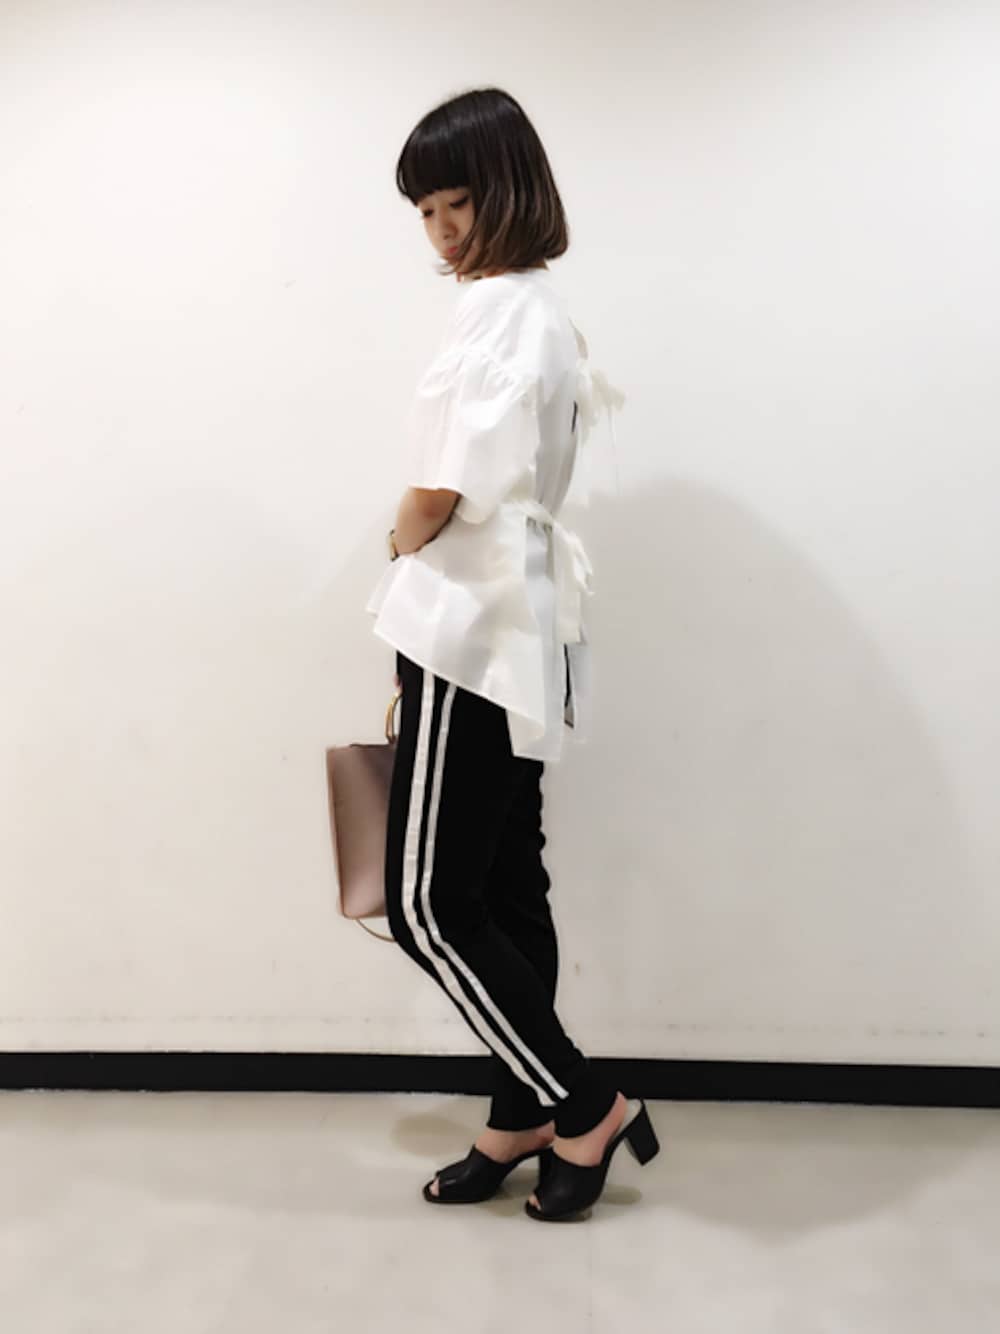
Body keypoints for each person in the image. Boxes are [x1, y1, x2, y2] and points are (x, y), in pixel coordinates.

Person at [364, 87, 659, 1223]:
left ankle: (583, 1102)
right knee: (501, 883)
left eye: (459, 201)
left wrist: (398, 541)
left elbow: (442, 488)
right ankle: (521, 1112)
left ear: (510, 190)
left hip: (467, 627)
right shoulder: (531, 308)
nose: (443, 229)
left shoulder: (500, 312)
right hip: (515, 631)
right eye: (425, 211)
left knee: (427, 900)